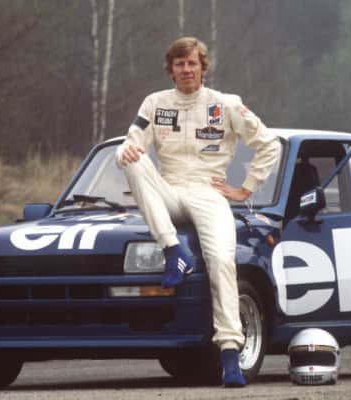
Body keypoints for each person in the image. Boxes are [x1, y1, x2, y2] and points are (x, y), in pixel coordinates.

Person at [115, 37, 280, 388]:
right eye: (180, 64)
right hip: (169, 189)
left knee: (222, 260)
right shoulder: (155, 103)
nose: (186, 70)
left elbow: (269, 144)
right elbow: (131, 140)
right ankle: (174, 250)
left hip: (209, 192)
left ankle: (230, 353)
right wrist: (125, 152)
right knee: (131, 158)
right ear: (170, 70)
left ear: (203, 67)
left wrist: (245, 188)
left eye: (192, 63)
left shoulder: (226, 104)